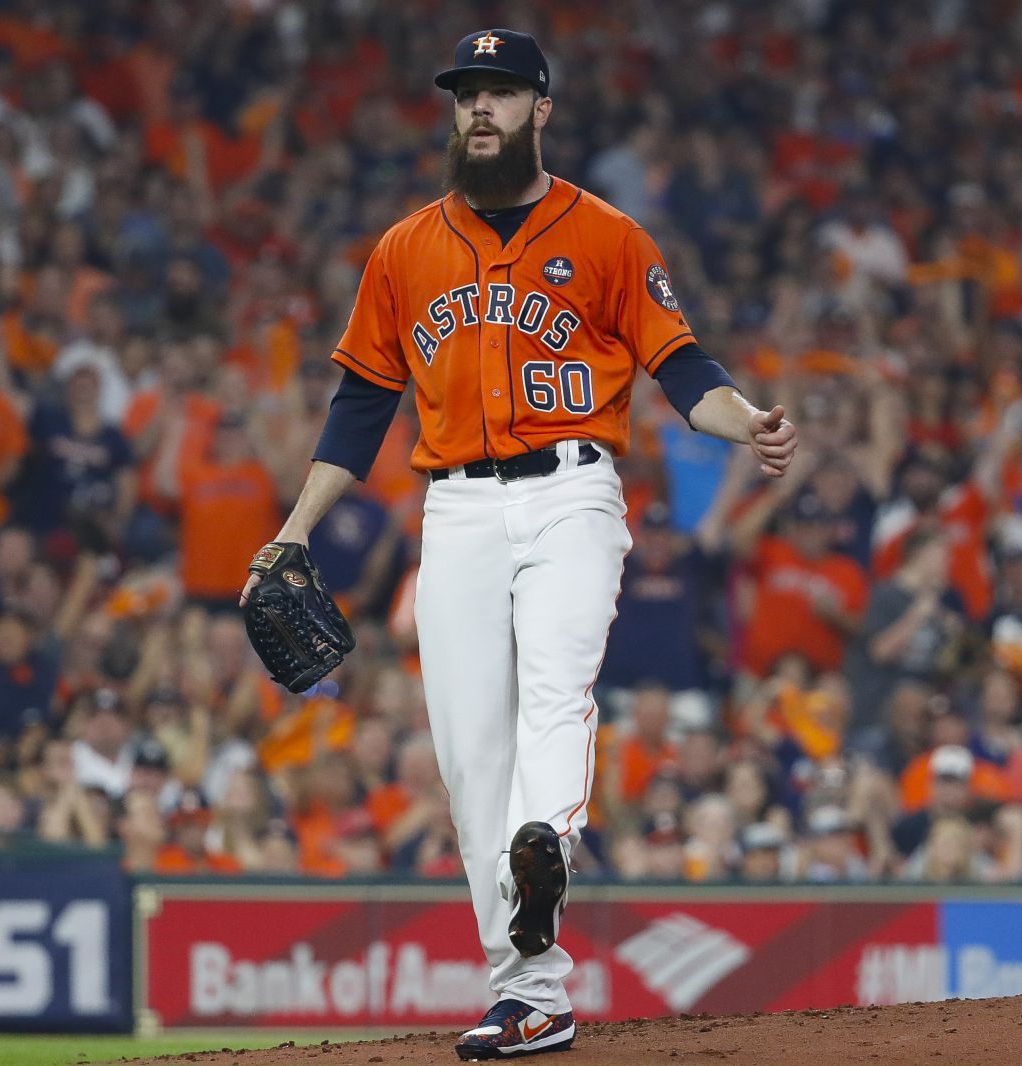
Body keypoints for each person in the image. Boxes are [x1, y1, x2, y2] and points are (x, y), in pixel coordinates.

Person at [237, 28, 798, 1060]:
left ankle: (542, 845)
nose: (479, 110)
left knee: (554, 686)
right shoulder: (405, 248)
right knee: (463, 752)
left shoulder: (608, 235)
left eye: (499, 92)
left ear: (540, 108)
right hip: (450, 509)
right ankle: (530, 986)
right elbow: (360, 405)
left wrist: (747, 421)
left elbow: (682, 370)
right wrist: (292, 528)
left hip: (572, 492)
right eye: (466, 95)